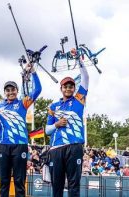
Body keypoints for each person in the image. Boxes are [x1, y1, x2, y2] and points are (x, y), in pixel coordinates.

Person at [0, 63, 42, 197]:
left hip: (20, 145)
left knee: (19, 181)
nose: (10, 92)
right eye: (8, 90)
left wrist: (33, 72)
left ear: (17, 91)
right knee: (3, 181)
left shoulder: (23, 102)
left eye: (13, 90)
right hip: (3, 146)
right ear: (4, 92)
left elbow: (38, 90)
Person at [45, 49, 89, 197]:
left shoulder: (79, 100)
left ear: (74, 88)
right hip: (56, 148)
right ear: (61, 88)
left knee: (73, 185)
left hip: (74, 146)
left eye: (71, 86)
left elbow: (86, 77)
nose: (68, 88)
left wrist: (79, 60)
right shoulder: (53, 107)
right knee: (56, 186)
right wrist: (56, 124)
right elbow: (47, 131)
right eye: (66, 86)